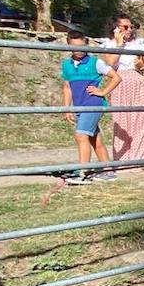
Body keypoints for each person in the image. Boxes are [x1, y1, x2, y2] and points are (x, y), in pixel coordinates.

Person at [61, 31, 120, 184]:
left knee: (81, 136)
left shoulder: (95, 62)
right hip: (79, 106)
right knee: (95, 140)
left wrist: (102, 91)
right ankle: (108, 171)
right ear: (69, 46)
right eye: (74, 47)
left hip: (93, 104)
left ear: (86, 44)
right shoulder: (66, 65)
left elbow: (116, 77)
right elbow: (67, 87)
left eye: (81, 46)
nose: (78, 50)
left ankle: (83, 172)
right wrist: (67, 108)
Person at [99, 14, 144, 172]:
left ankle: (139, 160)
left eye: (131, 27)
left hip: (136, 80)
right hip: (119, 81)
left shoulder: (138, 45)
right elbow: (109, 63)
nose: (129, 30)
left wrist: (142, 65)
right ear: (116, 28)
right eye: (125, 27)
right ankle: (122, 160)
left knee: (140, 119)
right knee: (121, 120)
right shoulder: (110, 45)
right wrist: (119, 44)